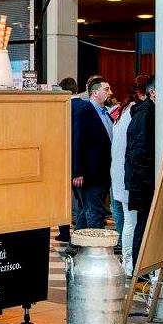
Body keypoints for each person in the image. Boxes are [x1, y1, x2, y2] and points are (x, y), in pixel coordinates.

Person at [111, 75, 150, 275]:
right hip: (130, 176)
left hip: (120, 174)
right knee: (131, 222)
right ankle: (129, 263)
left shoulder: (124, 110)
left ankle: (129, 262)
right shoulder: (137, 113)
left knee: (128, 220)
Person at [72, 77, 113, 229]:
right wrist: (77, 172)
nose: (110, 92)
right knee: (94, 213)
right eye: (106, 89)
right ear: (95, 93)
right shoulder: (85, 111)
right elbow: (77, 141)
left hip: (103, 173)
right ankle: (95, 243)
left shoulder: (106, 113)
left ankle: (77, 242)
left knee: (86, 212)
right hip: (90, 174)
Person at [125, 76, 156, 267]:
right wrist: (149, 181)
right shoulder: (145, 114)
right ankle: (139, 269)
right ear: (153, 92)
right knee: (143, 225)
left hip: (145, 181)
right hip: (144, 183)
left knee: (146, 225)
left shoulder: (150, 112)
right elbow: (138, 152)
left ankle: (143, 268)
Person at [56, 77, 80, 243]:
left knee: (62, 199)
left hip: (62, 159)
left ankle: (64, 232)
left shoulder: (61, 107)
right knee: (80, 199)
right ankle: (79, 234)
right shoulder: (85, 107)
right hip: (78, 159)